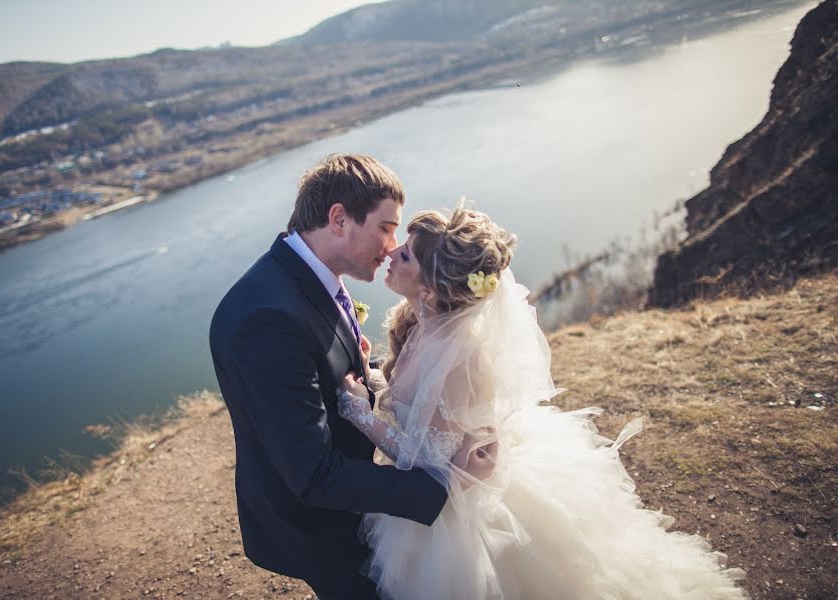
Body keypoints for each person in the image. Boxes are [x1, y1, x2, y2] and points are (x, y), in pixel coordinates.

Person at [337, 205, 750, 599]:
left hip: (454, 513)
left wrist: (359, 412)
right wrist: (374, 376)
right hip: (446, 487)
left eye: (406, 255)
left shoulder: (458, 358)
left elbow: (428, 461)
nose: (392, 252)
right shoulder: (422, 322)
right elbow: (416, 402)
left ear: (429, 287)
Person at [208, 154, 448, 600]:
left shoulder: (308, 276)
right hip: (318, 525)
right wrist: (439, 489)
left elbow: (331, 375)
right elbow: (313, 473)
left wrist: (381, 374)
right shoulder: (267, 319)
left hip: (348, 503)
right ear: (339, 219)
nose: (392, 246)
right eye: (385, 227)